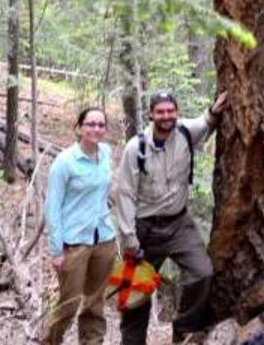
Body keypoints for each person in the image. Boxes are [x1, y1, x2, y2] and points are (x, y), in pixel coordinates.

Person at [115, 89, 228, 344]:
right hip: (144, 229)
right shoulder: (136, 148)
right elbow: (125, 194)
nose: (166, 116)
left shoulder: (186, 132)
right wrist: (129, 239)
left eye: (170, 111)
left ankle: (183, 332)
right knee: (136, 295)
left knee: (202, 273)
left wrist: (213, 111)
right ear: (151, 115)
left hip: (179, 224)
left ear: (176, 112)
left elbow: (206, 122)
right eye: (160, 112)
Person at [44, 106, 117, 345]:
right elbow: (53, 207)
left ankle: (92, 342)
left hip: (104, 239)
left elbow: (105, 192)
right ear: (79, 128)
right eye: (91, 124)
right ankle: (49, 341)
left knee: (95, 302)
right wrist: (56, 250)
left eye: (101, 125)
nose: (96, 129)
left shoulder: (106, 153)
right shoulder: (65, 162)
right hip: (74, 244)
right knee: (69, 304)